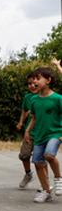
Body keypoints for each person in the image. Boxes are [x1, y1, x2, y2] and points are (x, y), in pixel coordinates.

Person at [24, 67, 62, 203]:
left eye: (38, 78)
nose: (35, 81)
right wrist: (27, 131)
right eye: (33, 78)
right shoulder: (34, 100)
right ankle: (46, 191)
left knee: (49, 155)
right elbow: (34, 118)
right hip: (39, 135)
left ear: (48, 80)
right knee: (38, 163)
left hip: (55, 133)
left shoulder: (58, 98)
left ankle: (58, 179)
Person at [16, 72, 39, 189]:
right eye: (29, 84)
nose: (32, 86)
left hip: (42, 133)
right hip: (29, 132)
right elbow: (24, 111)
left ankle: (45, 184)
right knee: (24, 155)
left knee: (40, 160)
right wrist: (21, 122)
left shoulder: (45, 95)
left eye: (34, 83)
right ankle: (28, 174)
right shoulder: (27, 97)